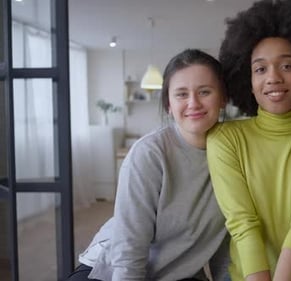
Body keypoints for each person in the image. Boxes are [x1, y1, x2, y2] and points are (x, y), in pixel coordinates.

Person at [66, 49, 229, 281]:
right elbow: (129, 247)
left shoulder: (234, 152)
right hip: (113, 271)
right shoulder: (150, 153)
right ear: (168, 105)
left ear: (223, 98)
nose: (193, 103)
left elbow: (225, 238)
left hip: (178, 273)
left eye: (204, 91)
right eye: (181, 94)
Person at [206, 1, 291, 281]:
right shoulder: (224, 138)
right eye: (260, 69)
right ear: (248, 80)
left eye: (287, 66)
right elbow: (241, 221)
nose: (273, 78)